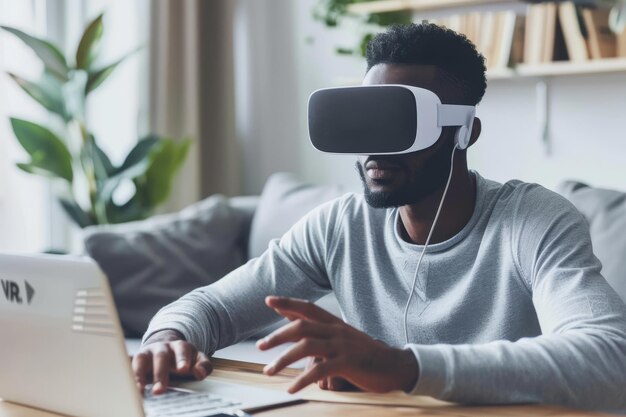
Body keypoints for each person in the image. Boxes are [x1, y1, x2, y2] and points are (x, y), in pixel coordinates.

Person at [132, 23, 626, 409]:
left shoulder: (533, 221)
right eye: (367, 119)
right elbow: (214, 308)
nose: (375, 148)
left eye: (401, 123)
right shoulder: (339, 227)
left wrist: (400, 367)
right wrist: (167, 337)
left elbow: (609, 359)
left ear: (464, 133)